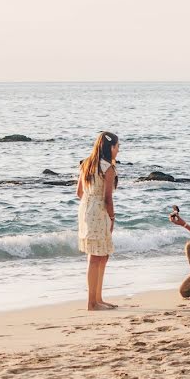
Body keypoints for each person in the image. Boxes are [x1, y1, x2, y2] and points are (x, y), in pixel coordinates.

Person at [77, 132, 120, 310]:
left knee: (102, 254)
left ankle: (97, 298)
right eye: (117, 147)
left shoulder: (86, 163)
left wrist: (89, 202)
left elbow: (79, 192)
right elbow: (108, 198)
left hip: (86, 207)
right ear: (110, 148)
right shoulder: (107, 168)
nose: (118, 150)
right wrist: (111, 217)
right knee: (96, 256)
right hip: (99, 210)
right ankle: (92, 302)